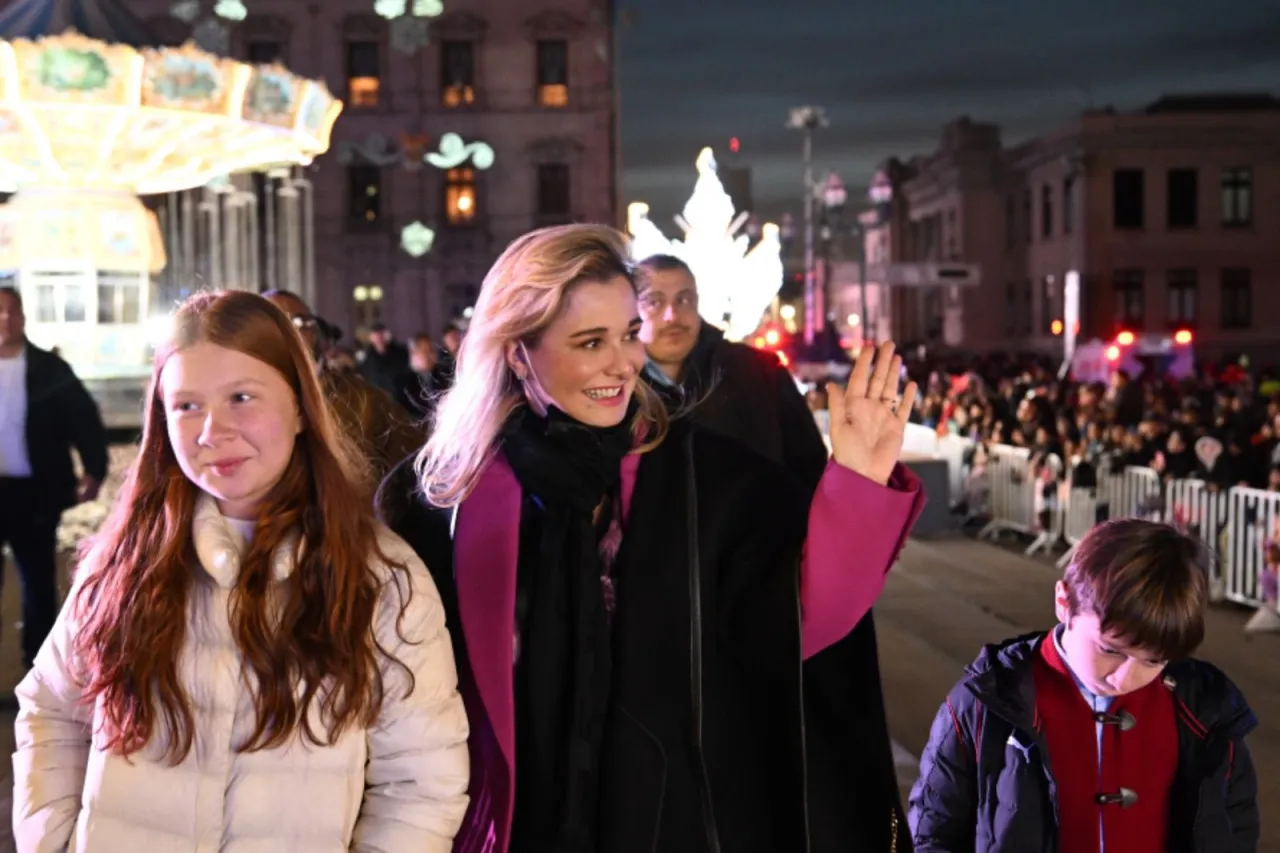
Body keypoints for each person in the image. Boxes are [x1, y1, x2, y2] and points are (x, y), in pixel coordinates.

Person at [378, 223, 924, 852]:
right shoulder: (436, 501)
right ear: (517, 353)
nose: (624, 363)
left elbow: (800, 623)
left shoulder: (706, 476)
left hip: (672, 824)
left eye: (628, 333)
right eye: (590, 342)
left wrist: (857, 483)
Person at [13, 290, 470, 852]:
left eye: (241, 397)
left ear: (301, 407)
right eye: (186, 406)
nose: (212, 431)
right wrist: (53, 842)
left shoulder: (381, 579)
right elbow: (51, 710)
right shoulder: (125, 559)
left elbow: (421, 782)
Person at [636, 253, 909, 851]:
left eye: (684, 297)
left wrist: (855, 494)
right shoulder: (617, 386)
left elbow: (813, 482)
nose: (673, 314)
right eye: (654, 300)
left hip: (766, 590)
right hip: (664, 610)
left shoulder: (754, 373)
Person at [909, 518, 1258, 852]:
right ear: (1064, 603)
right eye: (1110, 650)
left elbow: (1234, 828)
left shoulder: (1205, 713)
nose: (1124, 679)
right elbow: (931, 831)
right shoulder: (985, 704)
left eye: (1153, 660)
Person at [0, 285, 108, 669]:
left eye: (11, 312)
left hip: (34, 493)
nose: (4, 319)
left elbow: (84, 418)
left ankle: (38, 672)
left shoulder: (48, 369)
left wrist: (94, 468)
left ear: (24, 318)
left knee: (38, 584)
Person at [264, 289, 423, 482]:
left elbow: (413, 471)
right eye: (270, 324)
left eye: (298, 322)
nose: (287, 332)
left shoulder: (368, 403)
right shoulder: (234, 404)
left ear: (319, 335)